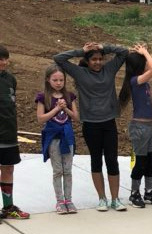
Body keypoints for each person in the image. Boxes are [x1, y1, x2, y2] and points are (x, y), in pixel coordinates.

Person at [54, 42, 128, 212]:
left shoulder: (109, 69)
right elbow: (58, 58)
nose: (97, 62)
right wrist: (81, 51)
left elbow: (123, 52)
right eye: (93, 59)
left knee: (112, 160)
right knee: (96, 160)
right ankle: (102, 199)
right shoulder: (80, 73)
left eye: (100, 59)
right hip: (90, 124)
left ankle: (115, 199)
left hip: (109, 122)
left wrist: (104, 47)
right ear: (87, 61)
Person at [119, 44, 152, 208]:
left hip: (149, 127)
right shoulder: (135, 81)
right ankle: (134, 193)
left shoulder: (143, 82)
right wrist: (145, 52)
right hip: (139, 128)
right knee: (140, 162)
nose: (148, 62)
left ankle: (149, 191)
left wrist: (144, 53)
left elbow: (151, 69)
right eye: (144, 60)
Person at [36, 64, 79, 215]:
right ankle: (60, 201)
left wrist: (65, 108)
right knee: (58, 170)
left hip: (67, 137)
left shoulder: (69, 96)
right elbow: (41, 118)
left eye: (61, 80)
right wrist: (56, 109)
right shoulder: (43, 97)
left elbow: (76, 117)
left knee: (68, 170)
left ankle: (69, 200)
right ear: (48, 80)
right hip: (53, 137)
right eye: (55, 80)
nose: (59, 83)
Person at [0, 45, 28, 220]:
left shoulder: (11, 79)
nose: (2, 62)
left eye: (4, 59)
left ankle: (8, 207)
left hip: (9, 132)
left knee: (8, 168)